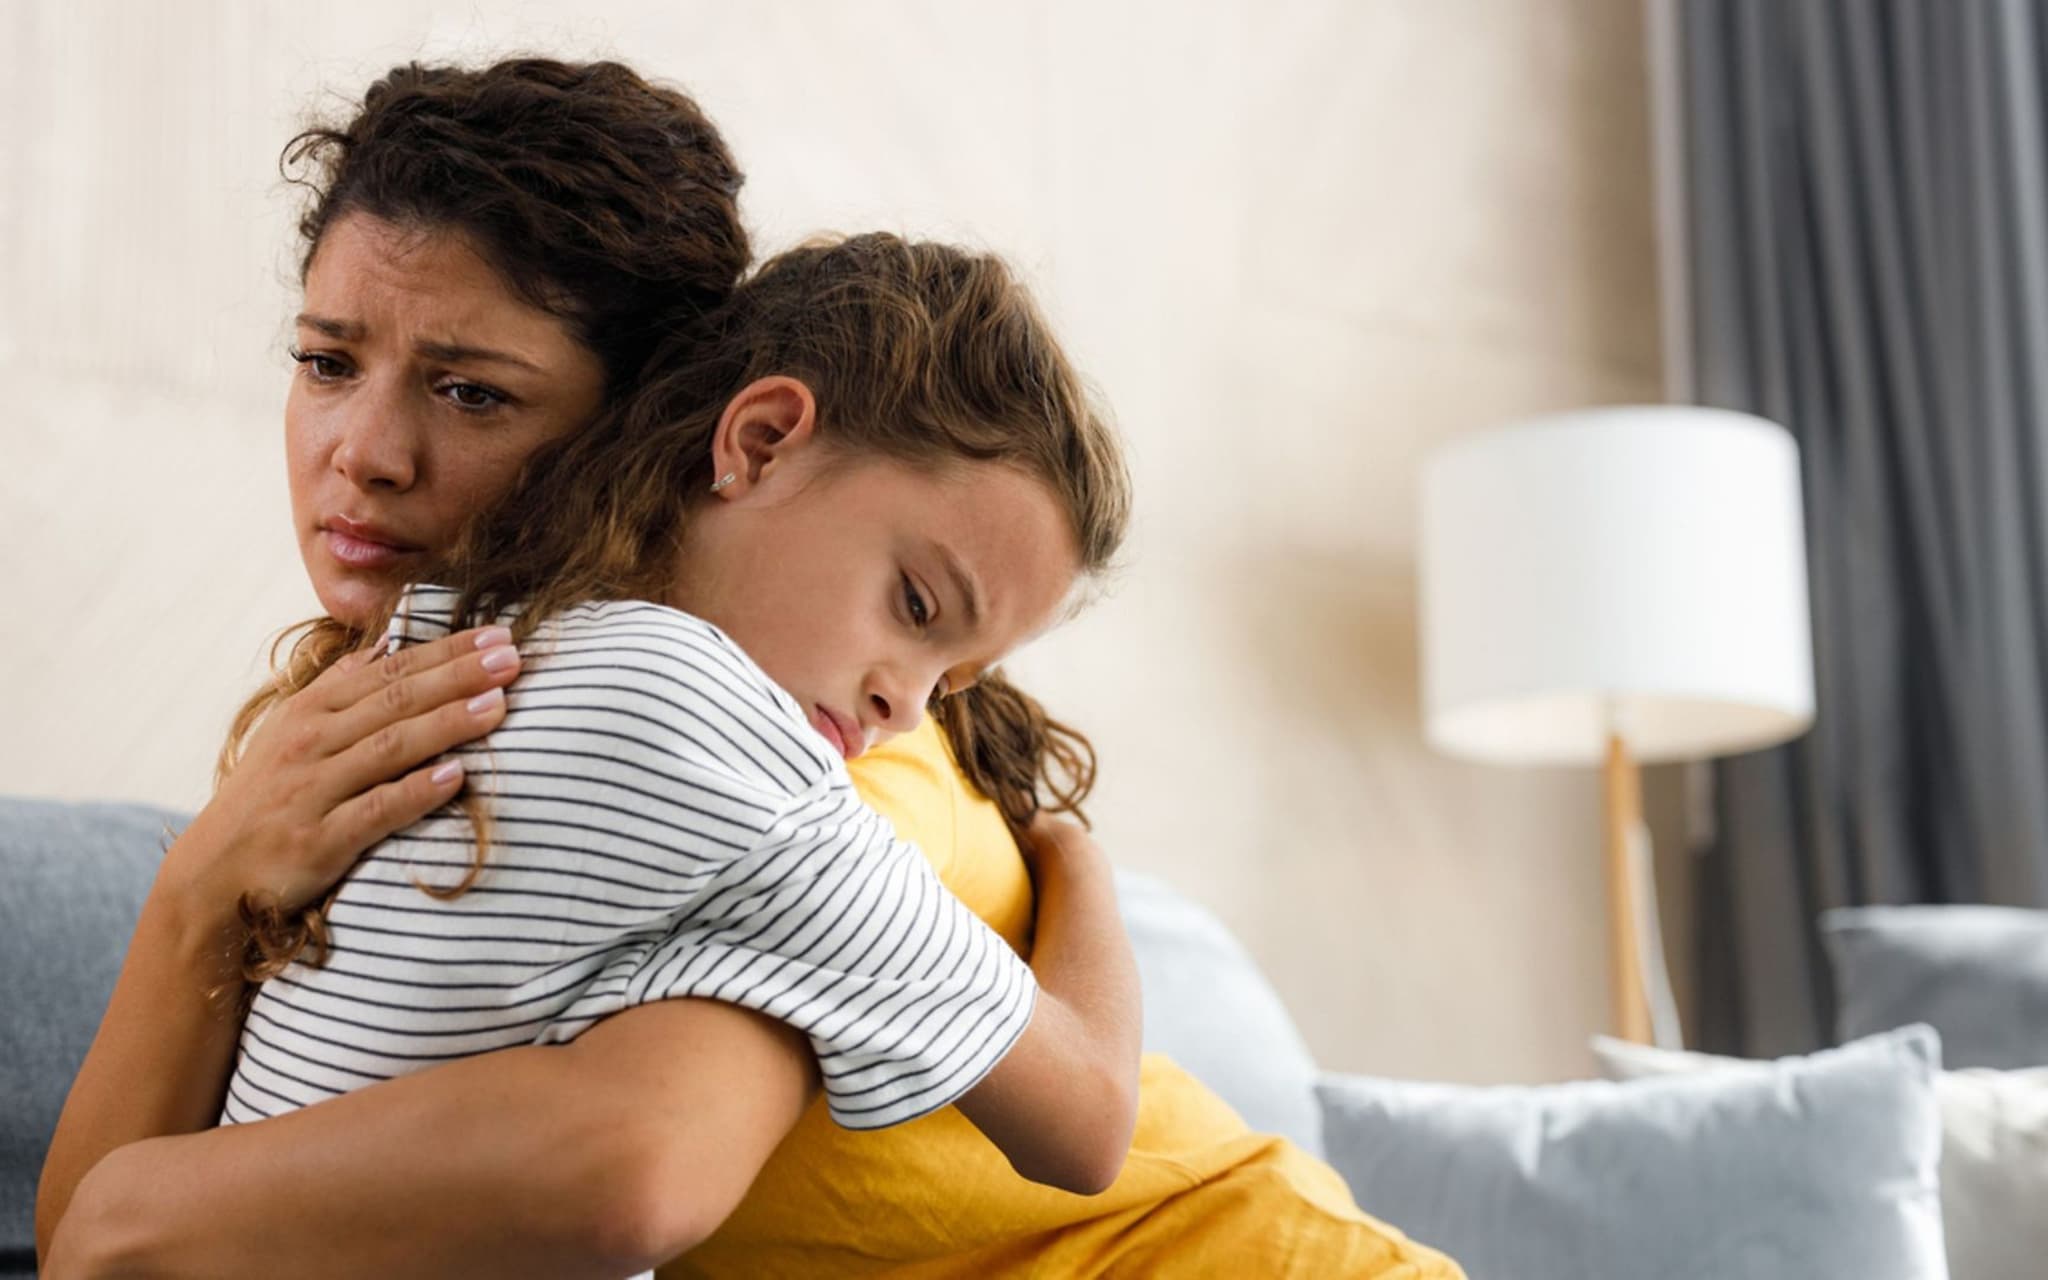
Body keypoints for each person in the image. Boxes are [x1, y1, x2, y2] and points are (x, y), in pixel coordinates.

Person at [36, 56, 1465, 1279]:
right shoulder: (362, 720)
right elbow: (84, 1240)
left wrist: (128, 1214)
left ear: (670, 427)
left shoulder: (788, 726)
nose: (364, 452)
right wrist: (200, 881)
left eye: (473, 390)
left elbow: (637, 1157)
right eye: (327, 361)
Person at [213, 227, 1143, 1198]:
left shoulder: (488, 631)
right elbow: (1084, 1121)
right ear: (761, 441)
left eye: (951, 679)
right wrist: (1072, 854)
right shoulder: (697, 720)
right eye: (914, 604)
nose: (903, 707)